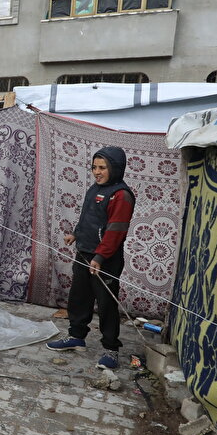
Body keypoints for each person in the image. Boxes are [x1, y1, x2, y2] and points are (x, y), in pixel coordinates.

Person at [46, 146, 135, 369]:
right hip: (84, 254)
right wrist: (75, 234)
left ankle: (111, 349)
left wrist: (100, 257)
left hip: (105, 260)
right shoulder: (95, 189)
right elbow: (88, 218)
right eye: (94, 167)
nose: (97, 171)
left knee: (106, 304)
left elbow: (115, 231)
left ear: (115, 168)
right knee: (79, 298)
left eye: (102, 167)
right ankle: (76, 337)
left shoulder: (121, 196)